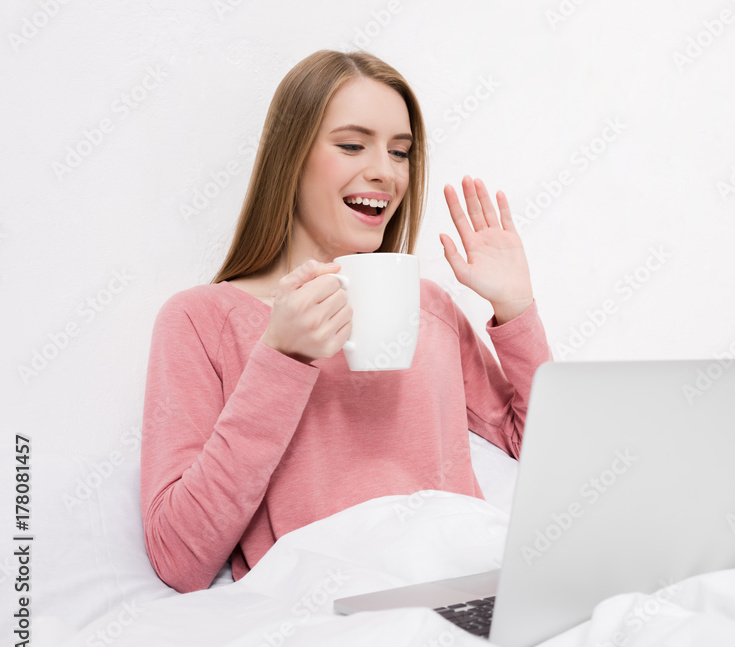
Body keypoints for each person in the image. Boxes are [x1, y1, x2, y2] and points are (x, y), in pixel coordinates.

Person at [140, 50, 552, 593]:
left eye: (400, 152)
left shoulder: (429, 307)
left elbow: (545, 452)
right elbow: (179, 558)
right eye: (353, 145)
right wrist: (280, 359)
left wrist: (517, 310)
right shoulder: (200, 320)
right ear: (290, 159)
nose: (386, 171)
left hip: (464, 588)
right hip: (325, 610)